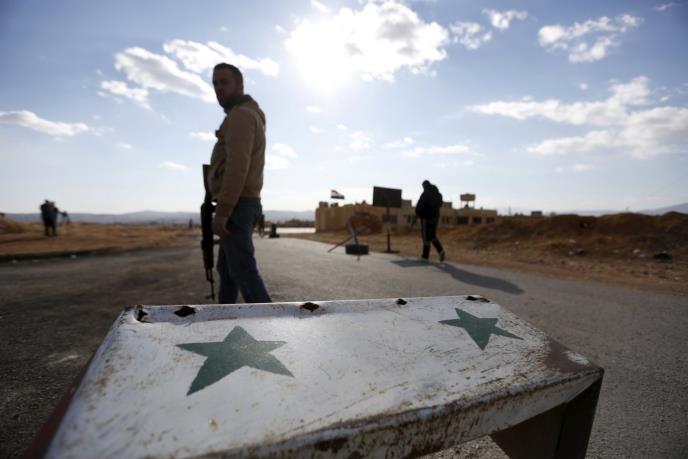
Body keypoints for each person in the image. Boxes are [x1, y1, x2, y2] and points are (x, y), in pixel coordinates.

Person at [206, 63, 271, 304]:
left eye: (224, 82)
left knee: (244, 273)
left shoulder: (241, 115)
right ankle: (224, 318)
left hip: (237, 204)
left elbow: (237, 166)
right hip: (241, 202)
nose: (219, 88)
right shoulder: (245, 114)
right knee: (228, 270)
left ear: (240, 85)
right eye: (215, 83)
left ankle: (274, 323)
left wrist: (223, 211)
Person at [415, 180, 446, 262]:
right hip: (435, 218)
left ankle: (425, 257)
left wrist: (418, 213)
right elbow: (439, 204)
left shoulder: (426, 193)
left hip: (426, 218)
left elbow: (420, 205)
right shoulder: (438, 194)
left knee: (426, 237)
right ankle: (441, 251)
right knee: (432, 236)